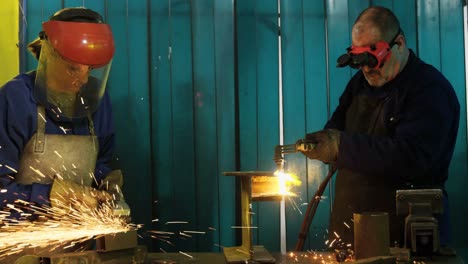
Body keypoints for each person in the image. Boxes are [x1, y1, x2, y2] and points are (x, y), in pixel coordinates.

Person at [298, 6, 459, 250]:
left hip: (404, 236)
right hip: (351, 232)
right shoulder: (361, 83)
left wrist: (341, 146)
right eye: (360, 63)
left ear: (400, 44)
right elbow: (338, 124)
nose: (367, 70)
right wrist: (324, 142)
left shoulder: (430, 90)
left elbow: (411, 157)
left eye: (374, 61)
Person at [0, 7, 128, 223]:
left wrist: (104, 182)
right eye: (73, 68)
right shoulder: (15, 99)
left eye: (89, 69)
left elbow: (99, 162)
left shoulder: (96, 98)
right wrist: (50, 196)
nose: (84, 80)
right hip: (20, 239)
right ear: (49, 56)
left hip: (79, 236)